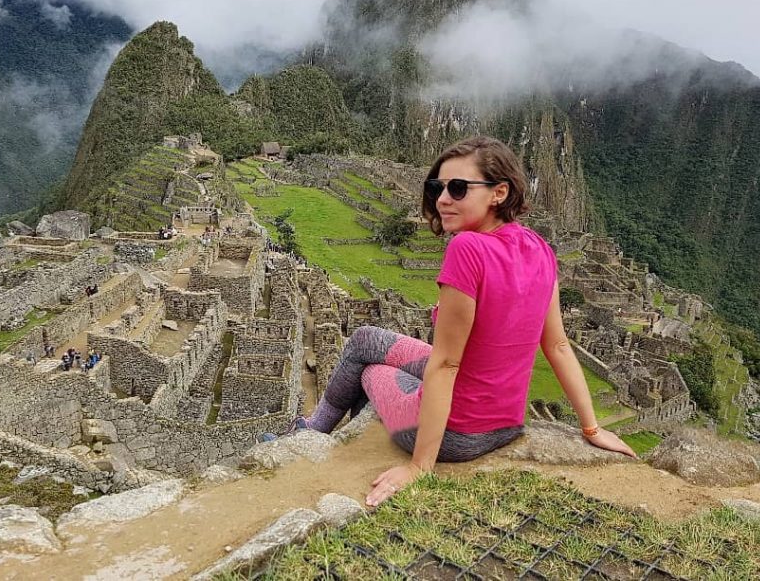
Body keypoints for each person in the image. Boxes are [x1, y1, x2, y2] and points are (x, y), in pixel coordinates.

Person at [270, 137, 636, 508]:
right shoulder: (541, 248)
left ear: (499, 192)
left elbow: (446, 364)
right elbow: (557, 346)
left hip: (456, 435)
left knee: (369, 369)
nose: (443, 198)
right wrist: (591, 428)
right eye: (438, 188)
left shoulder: (467, 248)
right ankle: (314, 428)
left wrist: (419, 468)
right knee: (365, 338)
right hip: (507, 424)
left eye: (458, 189)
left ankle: (316, 436)